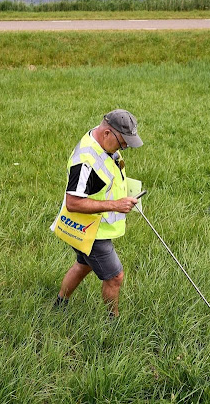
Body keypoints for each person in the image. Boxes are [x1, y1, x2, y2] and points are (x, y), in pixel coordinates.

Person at [53, 109, 143, 318]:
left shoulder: (103, 140)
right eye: (123, 143)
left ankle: (59, 304)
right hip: (91, 230)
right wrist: (115, 205)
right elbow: (73, 203)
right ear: (107, 133)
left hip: (92, 226)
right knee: (115, 277)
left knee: (84, 265)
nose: (125, 147)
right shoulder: (85, 161)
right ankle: (113, 321)